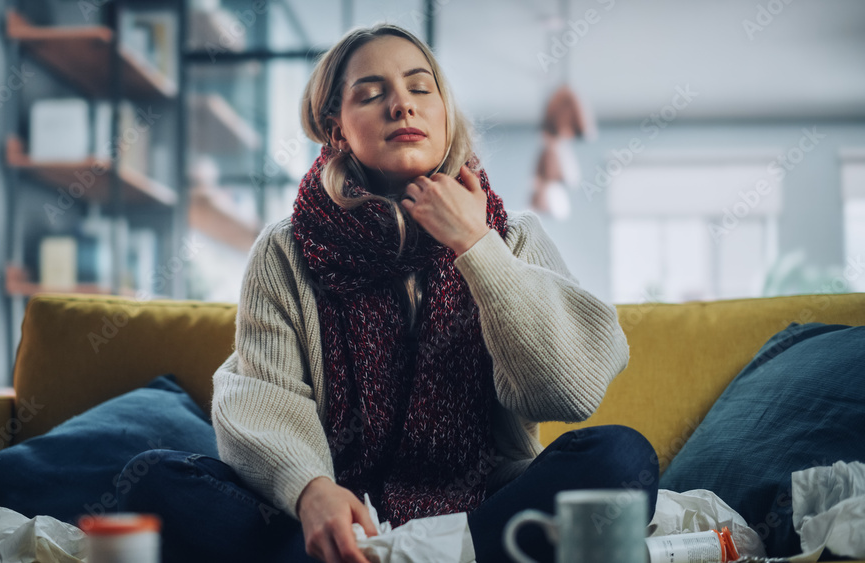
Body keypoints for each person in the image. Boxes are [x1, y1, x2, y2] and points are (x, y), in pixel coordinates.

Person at [118, 23, 658, 563]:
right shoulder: (285, 250)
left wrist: (476, 246)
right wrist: (309, 490)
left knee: (620, 457)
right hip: (338, 510)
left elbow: (565, 393)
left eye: (421, 88)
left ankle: (396, 555)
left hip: (483, 502)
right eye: (372, 94)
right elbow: (265, 395)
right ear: (336, 130)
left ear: (444, 115)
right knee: (156, 481)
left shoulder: (511, 237)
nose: (402, 105)